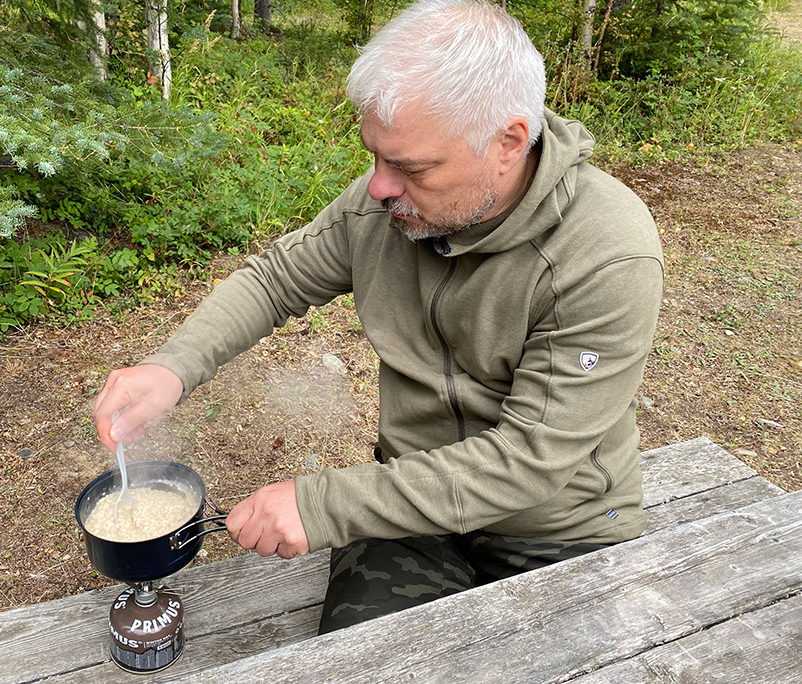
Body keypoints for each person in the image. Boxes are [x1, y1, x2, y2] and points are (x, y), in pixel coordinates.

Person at [93, 0, 663, 634]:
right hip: (410, 513)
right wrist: (171, 367)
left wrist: (323, 505)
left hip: (558, 531)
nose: (380, 186)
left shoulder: (605, 252)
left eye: (411, 167)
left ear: (508, 142)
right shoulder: (385, 206)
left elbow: (528, 460)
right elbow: (277, 279)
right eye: (376, 157)